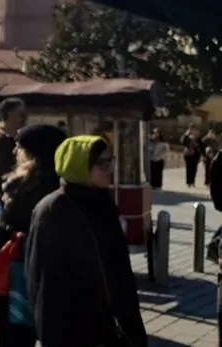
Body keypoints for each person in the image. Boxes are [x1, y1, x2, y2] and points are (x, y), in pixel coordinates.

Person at [28, 136, 148, 347]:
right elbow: (44, 284)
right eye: (102, 163)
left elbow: (118, 271)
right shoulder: (54, 210)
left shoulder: (102, 202)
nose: (110, 168)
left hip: (110, 327)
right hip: (74, 332)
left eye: (111, 160)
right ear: (80, 166)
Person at [0, 123, 66, 347]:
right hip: (53, 278)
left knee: (14, 338)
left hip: (18, 274)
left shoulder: (24, 187)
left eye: (19, 147)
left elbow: (13, 230)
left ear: (34, 153)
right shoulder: (62, 184)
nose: (15, 152)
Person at [0, 98, 27, 193]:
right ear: (9, 114)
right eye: (20, 114)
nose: (24, 118)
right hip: (4, 195)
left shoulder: (18, 138)